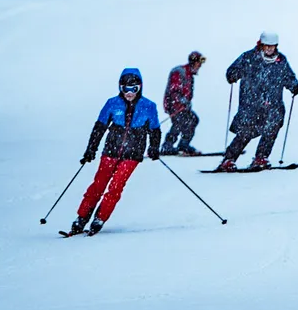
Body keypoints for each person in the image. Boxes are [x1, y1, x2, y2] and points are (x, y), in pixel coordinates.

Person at [67, 68, 162, 236]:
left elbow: (155, 130)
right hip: (111, 150)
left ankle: (100, 218)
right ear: (120, 87)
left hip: (133, 154)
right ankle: (81, 218)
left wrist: (154, 148)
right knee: (98, 184)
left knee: (116, 186)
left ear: (140, 87)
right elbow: (99, 128)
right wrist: (91, 150)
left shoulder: (149, 106)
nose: (129, 93)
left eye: (134, 89)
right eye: (125, 88)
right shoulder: (112, 103)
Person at [215, 31, 298, 172]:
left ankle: (261, 157)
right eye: (266, 46)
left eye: (272, 47)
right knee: (246, 132)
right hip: (251, 104)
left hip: (274, 104)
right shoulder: (249, 57)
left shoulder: (281, 61)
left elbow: (288, 76)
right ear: (260, 44)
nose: (269, 49)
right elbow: (232, 71)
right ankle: (228, 160)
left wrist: (294, 85)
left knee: (271, 129)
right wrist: (233, 75)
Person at [160, 51, 207, 156]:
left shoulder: (190, 76)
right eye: (198, 63)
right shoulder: (179, 72)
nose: (199, 66)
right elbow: (174, 90)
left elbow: (188, 93)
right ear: (193, 62)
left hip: (183, 106)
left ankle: (183, 145)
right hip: (174, 104)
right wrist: (181, 101)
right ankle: (167, 146)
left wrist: (187, 102)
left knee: (193, 119)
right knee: (179, 122)